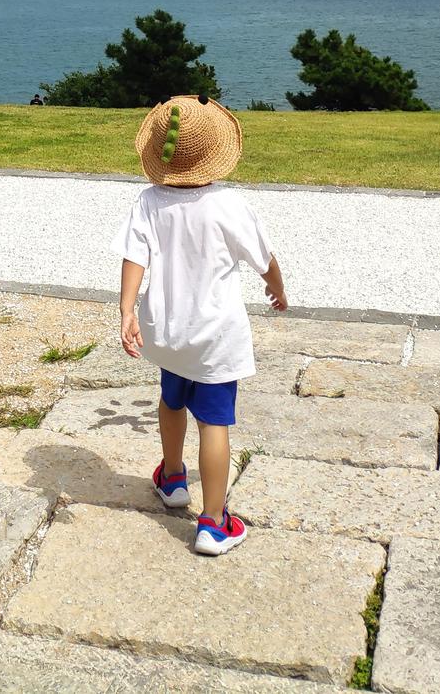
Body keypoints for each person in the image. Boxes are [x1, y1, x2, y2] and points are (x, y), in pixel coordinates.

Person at [114, 93, 287, 557]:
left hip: (167, 331)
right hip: (214, 336)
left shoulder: (150, 201)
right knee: (214, 421)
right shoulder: (228, 204)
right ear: (215, 153)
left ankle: (172, 478)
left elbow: (135, 256)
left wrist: (127, 309)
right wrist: (278, 288)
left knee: (171, 400)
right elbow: (263, 258)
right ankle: (213, 522)